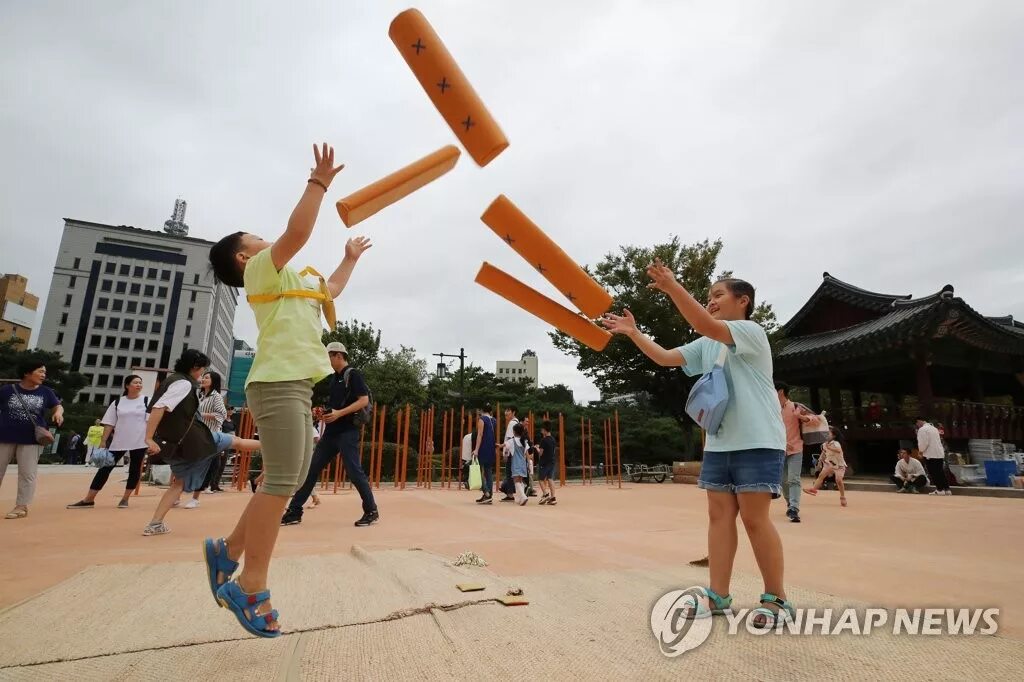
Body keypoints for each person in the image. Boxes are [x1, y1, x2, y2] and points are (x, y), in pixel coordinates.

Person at [206, 142, 368, 638]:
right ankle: (250, 585)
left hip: (295, 386)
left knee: (291, 479)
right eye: (257, 237)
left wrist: (348, 258)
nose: (266, 240)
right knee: (281, 481)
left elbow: (332, 291)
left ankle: (227, 552)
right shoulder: (261, 273)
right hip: (275, 385)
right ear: (244, 255)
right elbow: (297, 233)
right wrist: (318, 184)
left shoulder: (297, 281)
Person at [602, 265, 791, 627]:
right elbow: (665, 357)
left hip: (758, 440)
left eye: (718, 295)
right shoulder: (707, 344)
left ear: (743, 300)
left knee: (754, 519)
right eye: (708, 298)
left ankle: (777, 599)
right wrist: (633, 333)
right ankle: (717, 596)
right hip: (719, 443)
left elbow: (706, 324)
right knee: (718, 518)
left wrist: (673, 287)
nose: (712, 302)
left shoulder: (751, 332)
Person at [142, 351, 261, 536]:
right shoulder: (183, 384)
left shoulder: (172, 381)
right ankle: (273, 445)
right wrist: (148, 437)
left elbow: (156, 409)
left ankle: (155, 523)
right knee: (236, 441)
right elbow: (159, 407)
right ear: (195, 368)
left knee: (177, 484)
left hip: (178, 441)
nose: (202, 375)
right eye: (202, 371)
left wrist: (152, 436)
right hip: (197, 439)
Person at [281, 342, 376, 527]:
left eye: (329, 356)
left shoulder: (353, 374)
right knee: (311, 470)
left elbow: (363, 400)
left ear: (339, 355)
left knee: (354, 472)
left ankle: (371, 510)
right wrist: (325, 413)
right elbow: (336, 404)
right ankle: (294, 511)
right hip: (332, 433)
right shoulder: (334, 379)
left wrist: (339, 413)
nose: (327, 360)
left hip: (347, 431)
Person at [67, 375, 149, 509]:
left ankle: (125, 499)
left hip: (139, 442)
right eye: (135, 382)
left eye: (140, 382)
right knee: (104, 469)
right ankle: (89, 499)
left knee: (134, 470)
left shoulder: (146, 400)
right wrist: (103, 441)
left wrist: (150, 439)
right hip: (119, 442)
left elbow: (151, 422)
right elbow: (109, 424)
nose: (139, 385)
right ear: (127, 385)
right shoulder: (117, 403)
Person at [0, 360, 64, 519]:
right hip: (4, 436)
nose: (44, 375)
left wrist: (58, 413)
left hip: (31, 439)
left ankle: (21, 506)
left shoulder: (46, 391)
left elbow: (57, 405)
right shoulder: (7, 390)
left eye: (44, 372)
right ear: (27, 373)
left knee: (27, 473)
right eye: (40, 371)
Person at [184, 371, 228, 508]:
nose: (203, 379)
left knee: (205, 466)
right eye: (203, 377)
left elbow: (222, 414)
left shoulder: (216, 397)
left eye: (207, 377)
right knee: (190, 464)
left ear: (213, 381)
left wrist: (200, 415)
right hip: (197, 434)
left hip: (211, 435)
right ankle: (179, 493)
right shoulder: (200, 395)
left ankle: (195, 497)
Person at [775, 381, 811, 523]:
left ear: (780, 392)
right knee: (783, 481)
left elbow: (816, 419)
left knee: (793, 479)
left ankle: (794, 508)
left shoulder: (795, 406)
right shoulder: (772, 409)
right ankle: (790, 503)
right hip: (779, 450)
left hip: (796, 449)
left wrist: (801, 416)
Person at [803, 427, 849, 506]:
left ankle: (842, 497)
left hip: (839, 465)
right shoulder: (824, 444)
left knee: (838, 480)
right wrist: (820, 461)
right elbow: (823, 453)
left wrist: (829, 447)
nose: (826, 435)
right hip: (829, 464)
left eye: (828, 434)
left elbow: (839, 450)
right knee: (821, 475)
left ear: (834, 436)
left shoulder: (836, 443)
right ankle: (814, 489)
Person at [916, 417, 950, 495]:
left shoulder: (922, 430)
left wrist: (920, 451)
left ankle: (940, 489)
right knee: (940, 472)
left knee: (934, 472)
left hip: (930, 454)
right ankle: (947, 489)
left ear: (919, 421)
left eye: (917, 423)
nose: (917, 425)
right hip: (939, 453)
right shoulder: (934, 428)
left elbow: (924, 443)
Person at [473, 404, 498, 504]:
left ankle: (486, 493)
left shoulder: (482, 419)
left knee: (478, 471)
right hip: (491, 447)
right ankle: (489, 495)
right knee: (488, 472)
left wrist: (476, 449)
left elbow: (480, 435)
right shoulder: (494, 420)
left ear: (482, 410)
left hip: (483, 447)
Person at [499, 406, 520, 501]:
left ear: (513, 412)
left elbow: (509, 440)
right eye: (506, 410)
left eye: (508, 411)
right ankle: (511, 492)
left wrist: (506, 453)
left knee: (509, 472)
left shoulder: (512, 423)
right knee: (512, 473)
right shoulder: (517, 422)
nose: (506, 412)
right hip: (516, 452)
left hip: (511, 452)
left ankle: (510, 494)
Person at [536, 420, 558, 506]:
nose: (541, 431)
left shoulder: (544, 440)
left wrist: (537, 448)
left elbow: (541, 453)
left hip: (544, 462)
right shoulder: (553, 439)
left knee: (541, 479)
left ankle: (545, 494)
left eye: (542, 429)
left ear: (545, 430)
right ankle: (553, 497)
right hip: (552, 461)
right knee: (550, 478)